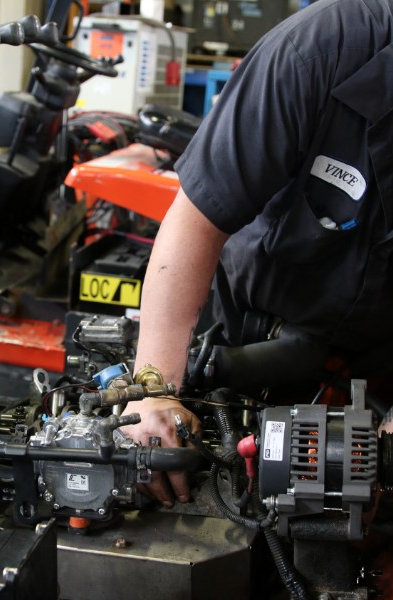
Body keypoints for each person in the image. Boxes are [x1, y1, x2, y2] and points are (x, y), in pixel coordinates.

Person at [121, 0, 393, 507]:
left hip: (377, 365)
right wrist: (152, 394)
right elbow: (196, 219)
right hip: (255, 335)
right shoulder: (317, 50)